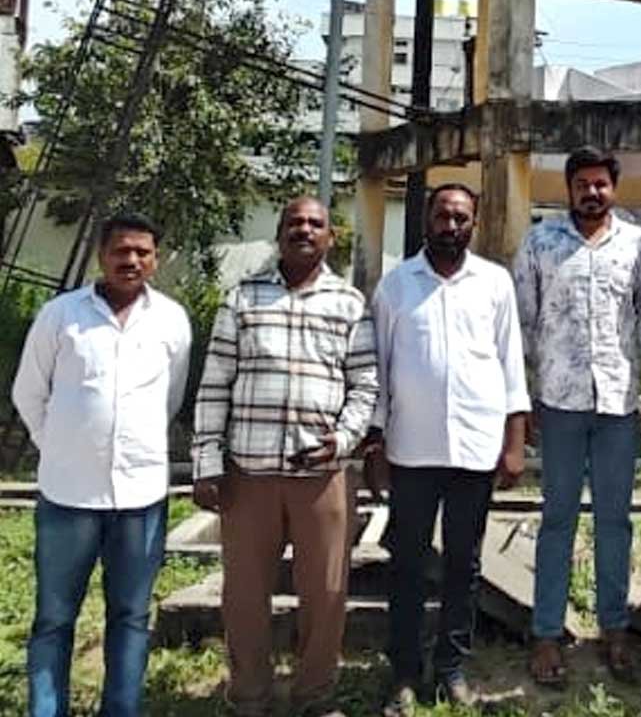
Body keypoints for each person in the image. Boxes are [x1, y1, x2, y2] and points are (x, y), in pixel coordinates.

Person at [191, 196, 378, 717]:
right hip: (248, 473)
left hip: (321, 474)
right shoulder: (242, 297)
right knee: (244, 594)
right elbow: (214, 384)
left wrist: (345, 439)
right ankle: (249, 696)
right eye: (294, 222)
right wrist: (206, 463)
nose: (304, 230)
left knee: (326, 593)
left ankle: (314, 696)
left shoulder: (350, 302)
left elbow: (366, 383)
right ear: (279, 233)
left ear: (330, 238)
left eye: (316, 223)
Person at [13, 213, 191, 717]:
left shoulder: (172, 320)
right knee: (53, 619)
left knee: (131, 617)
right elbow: (28, 393)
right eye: (120, 250)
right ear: (101, 255)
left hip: (140, 497)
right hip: (68, 495)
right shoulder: (60, 316)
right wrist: (60, 446)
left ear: (155, 259)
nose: (130, 260)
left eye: (142, 252)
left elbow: (171, 398)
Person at [367, 183, 530, 714]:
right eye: (442, 215)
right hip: (411, 450)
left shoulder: (494, 283)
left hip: (474, 450)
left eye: (461, 217)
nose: (451, 226)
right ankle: (404, 673)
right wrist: (375, 446)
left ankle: (451, 668)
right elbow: (378, 371)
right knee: (407, 564)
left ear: (473, 224)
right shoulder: (396, 286)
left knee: (464, 563)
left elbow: (510, 364)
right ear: (426, 219)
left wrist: (514, 441)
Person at [513, 147, 641, 685]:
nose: (592, 193)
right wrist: (523, 400)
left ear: (614, 188)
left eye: (600, 184)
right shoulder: (540, 242)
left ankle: (615, 626)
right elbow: (522, 325)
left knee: (614, 520)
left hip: (617, 404)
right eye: (582, 184)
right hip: (559, 402)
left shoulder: (637, 244)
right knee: (557, 517)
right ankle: (546, 632)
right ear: (569, 189)